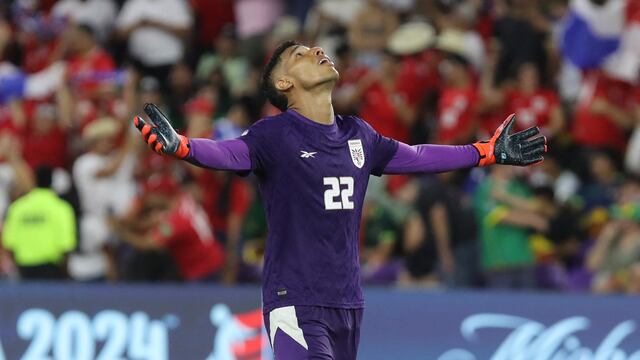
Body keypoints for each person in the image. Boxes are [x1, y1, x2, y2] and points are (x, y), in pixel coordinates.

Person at [132, 41, 547, 359]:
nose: (316, 50)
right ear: (284, 84)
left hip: (348, 302)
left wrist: (484, 152)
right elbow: (227, 153)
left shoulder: (359, 135)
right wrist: (184, 147)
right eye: (298, 54)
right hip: (294, 299)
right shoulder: (273, 135)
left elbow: (418, 155)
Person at [2, 166, 76, 280]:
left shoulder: (17, 207)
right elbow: (67, 243)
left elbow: (9, 241)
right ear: (52, 182)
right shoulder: (62, 208)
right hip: (51, 267)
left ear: (34, 180)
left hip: (24, 267)